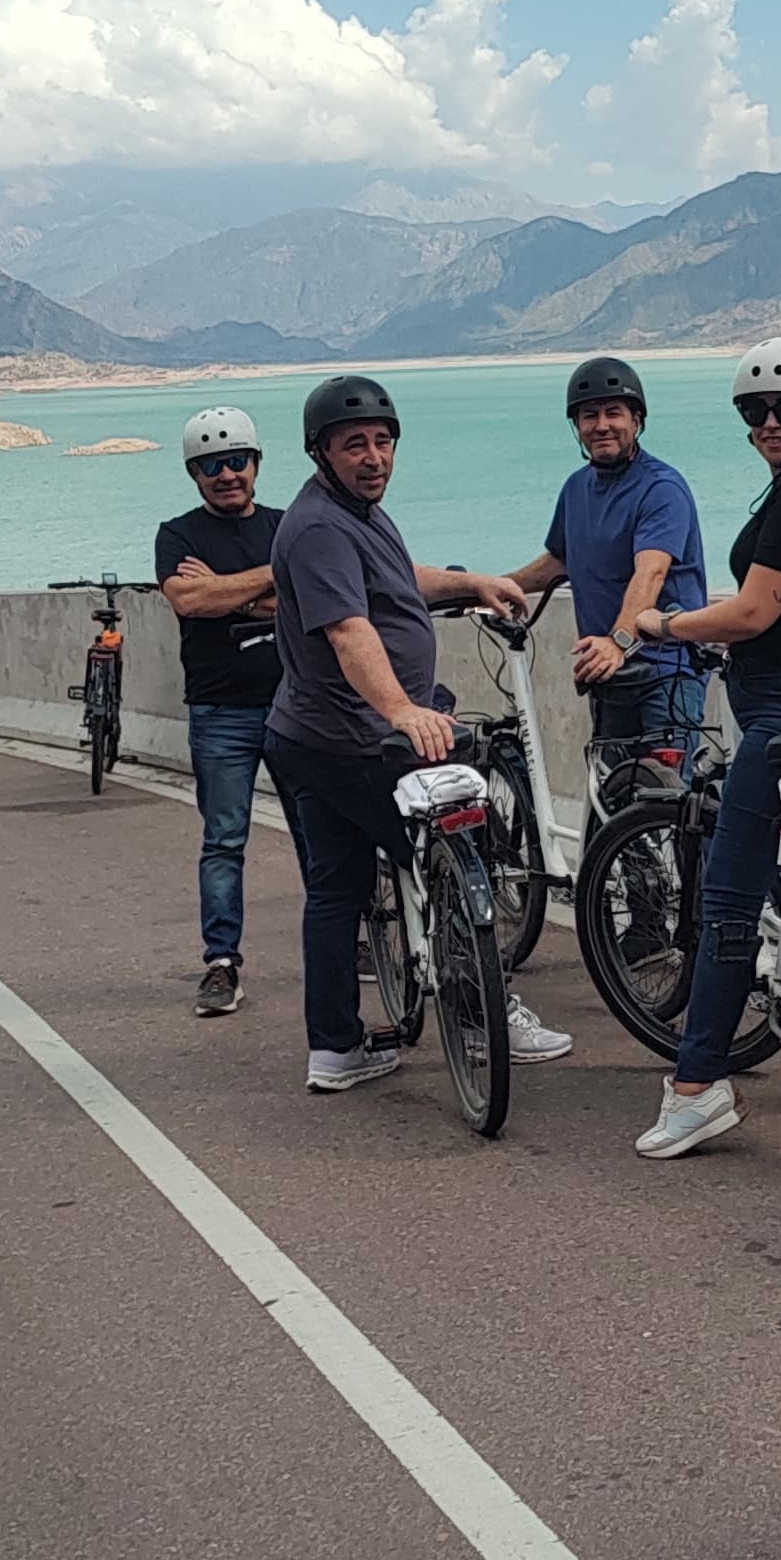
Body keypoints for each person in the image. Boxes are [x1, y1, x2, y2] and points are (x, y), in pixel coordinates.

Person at [612, 337, 781, 1160]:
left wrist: (659, 623)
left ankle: (698, 1086)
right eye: (756, 411)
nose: (772, 422)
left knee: (730, 898)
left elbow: (751, 616)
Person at [260, 374, 574, 1091]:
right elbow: (348, 631)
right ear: (320, 453)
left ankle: (336, 1050)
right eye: (354, 446)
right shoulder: (316, 528)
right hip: (354, 739)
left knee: (336, 890)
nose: (373, 457)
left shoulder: (356, 514)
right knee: (455, 852)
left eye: (382, 442)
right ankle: (482, 1013)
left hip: (309, 733)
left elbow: (399, 580)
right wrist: (401, 710)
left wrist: (473, 584)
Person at [497, 356, 712, 790]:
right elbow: (560, 560)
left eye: (614, 413)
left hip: (664, 674)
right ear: (576, 426)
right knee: (613, 805)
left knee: (666, 801)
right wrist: (495, 587)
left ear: (636, 420)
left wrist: (619, 641)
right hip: (609, 676)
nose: (601, 425)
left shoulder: (661, 488)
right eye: (589, 415)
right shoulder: (577, 488)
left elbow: (650, 573)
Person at [154, 404, 284, 1017]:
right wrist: (267, 583)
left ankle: (355, 941)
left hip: (295, 705)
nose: (226, 474)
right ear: (193, 473)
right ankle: (221, 963)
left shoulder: (289, 525)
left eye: (236, 461)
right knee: (224, 839)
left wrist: (226, 591)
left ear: (256, 464)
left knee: (324, 833)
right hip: (219, 712)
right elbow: (189, 602)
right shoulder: (176, 535)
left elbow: (311, 598)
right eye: (211, 465)